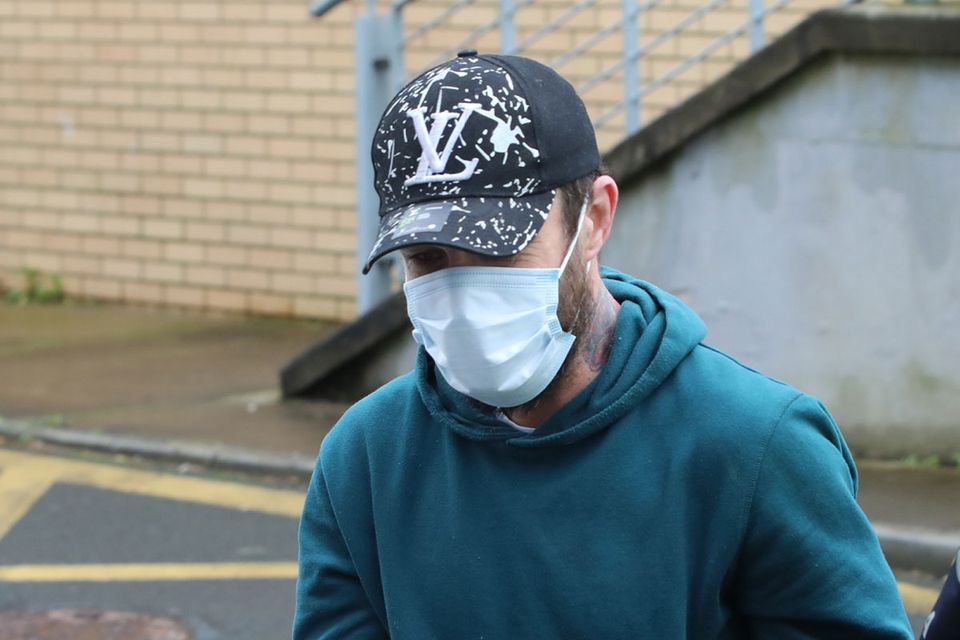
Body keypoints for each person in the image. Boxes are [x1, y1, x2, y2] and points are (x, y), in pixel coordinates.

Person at [293, 51, 913, 639]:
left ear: (594, 217)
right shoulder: (364, 459)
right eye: (426, 258)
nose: (461, 290)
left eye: (497, 245)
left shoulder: (756, 446)